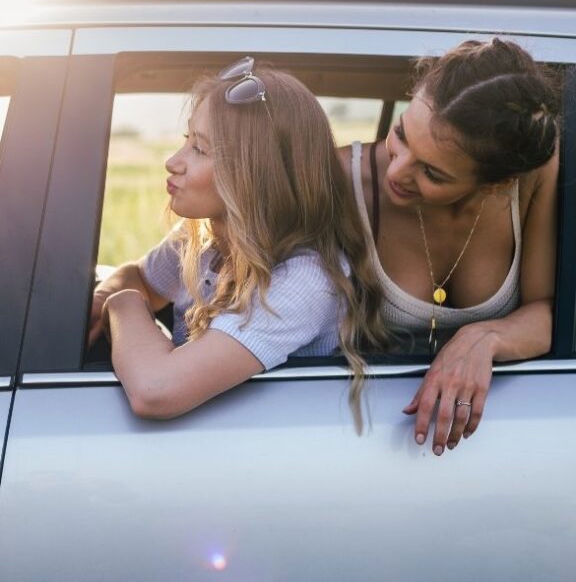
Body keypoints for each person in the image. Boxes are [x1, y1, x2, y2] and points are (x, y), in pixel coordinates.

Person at [89, 58, 386, 431]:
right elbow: (139, 276)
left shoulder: (305, 281)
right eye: (186, 141)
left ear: (258, 175)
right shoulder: (204, 237)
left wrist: (120, 303)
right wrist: (104, 296)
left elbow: (155, 390)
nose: (172, 162)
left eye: (199, 149)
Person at [340, 38, 560, 456]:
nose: (398, 170)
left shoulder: (533, 175)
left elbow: (550, 310)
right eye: (401, 135)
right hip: (360, 440)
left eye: (432, 173)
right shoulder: (338, 178)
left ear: (497, 184)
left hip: (506, 448)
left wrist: (483, 339)